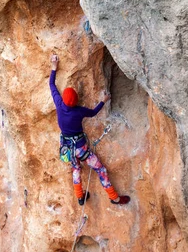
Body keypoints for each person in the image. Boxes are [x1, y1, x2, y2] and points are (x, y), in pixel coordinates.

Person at [49, 54, 130, 206]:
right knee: (100, 169)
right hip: (81, 149)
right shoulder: (79, 111)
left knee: (75, 168)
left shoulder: (59, 104)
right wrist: (103, 101)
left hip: (67, 148)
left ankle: (80, 197)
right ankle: (114, 197)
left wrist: (54, 67)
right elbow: (93, 113)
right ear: (76, 101)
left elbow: (52, 86)